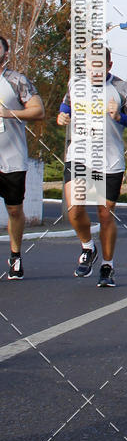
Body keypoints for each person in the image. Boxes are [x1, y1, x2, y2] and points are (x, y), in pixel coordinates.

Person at [57, 48, 127, 287]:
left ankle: (107, 265)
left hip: (109, 160)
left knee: (105, 214)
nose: (94, 71)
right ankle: (88, 246)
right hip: (79, 155)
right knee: (74, 209)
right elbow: (65, 107)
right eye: (90, 66)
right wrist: (62, 117)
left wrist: (120, 117)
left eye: (100, 66)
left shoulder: (121, 88)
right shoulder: (75, 84)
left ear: (109, 65)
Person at [0, 36, 45, 280]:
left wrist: (9, 113)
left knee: (14, 210)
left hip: (12, 158)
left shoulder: (16, 81)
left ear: (6, 53)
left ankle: (15, 255)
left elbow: (38, 111)